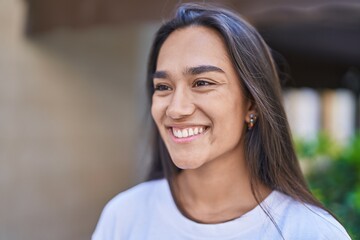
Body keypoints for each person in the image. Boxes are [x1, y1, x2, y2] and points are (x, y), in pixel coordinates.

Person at [92, 3, 351, 240]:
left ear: (252, 103)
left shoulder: (310, 232)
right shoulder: (124, 216)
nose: (176, 108)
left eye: (202, 83)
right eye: (163, 86)